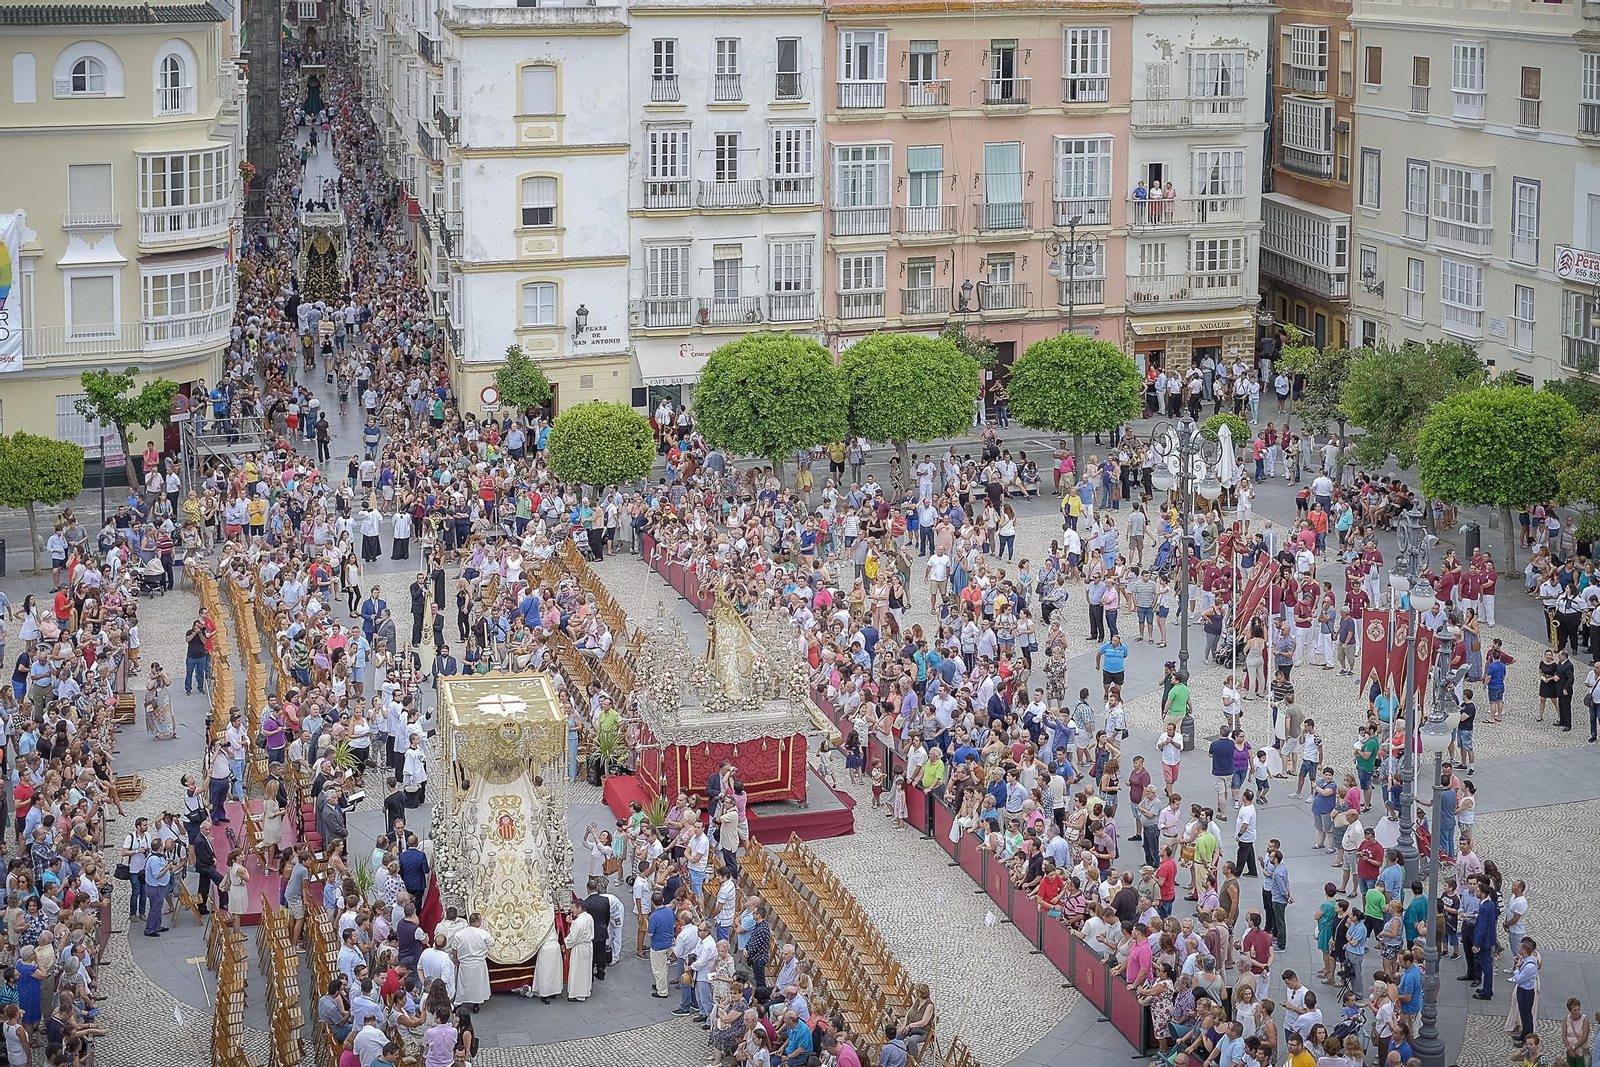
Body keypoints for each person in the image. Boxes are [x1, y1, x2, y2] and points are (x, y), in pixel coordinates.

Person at [565, 900, 595, 1002]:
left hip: (579, 948)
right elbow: (583, 929)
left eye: (573, 908)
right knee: (585, 970)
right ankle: (586, 990)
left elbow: (573, 937)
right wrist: (572, 922)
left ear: (579, 908)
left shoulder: (578, 922)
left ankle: (578, 994)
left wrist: (564, 943)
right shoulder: (588, 917)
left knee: (578, 971)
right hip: (587, 946)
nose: (572, 910)